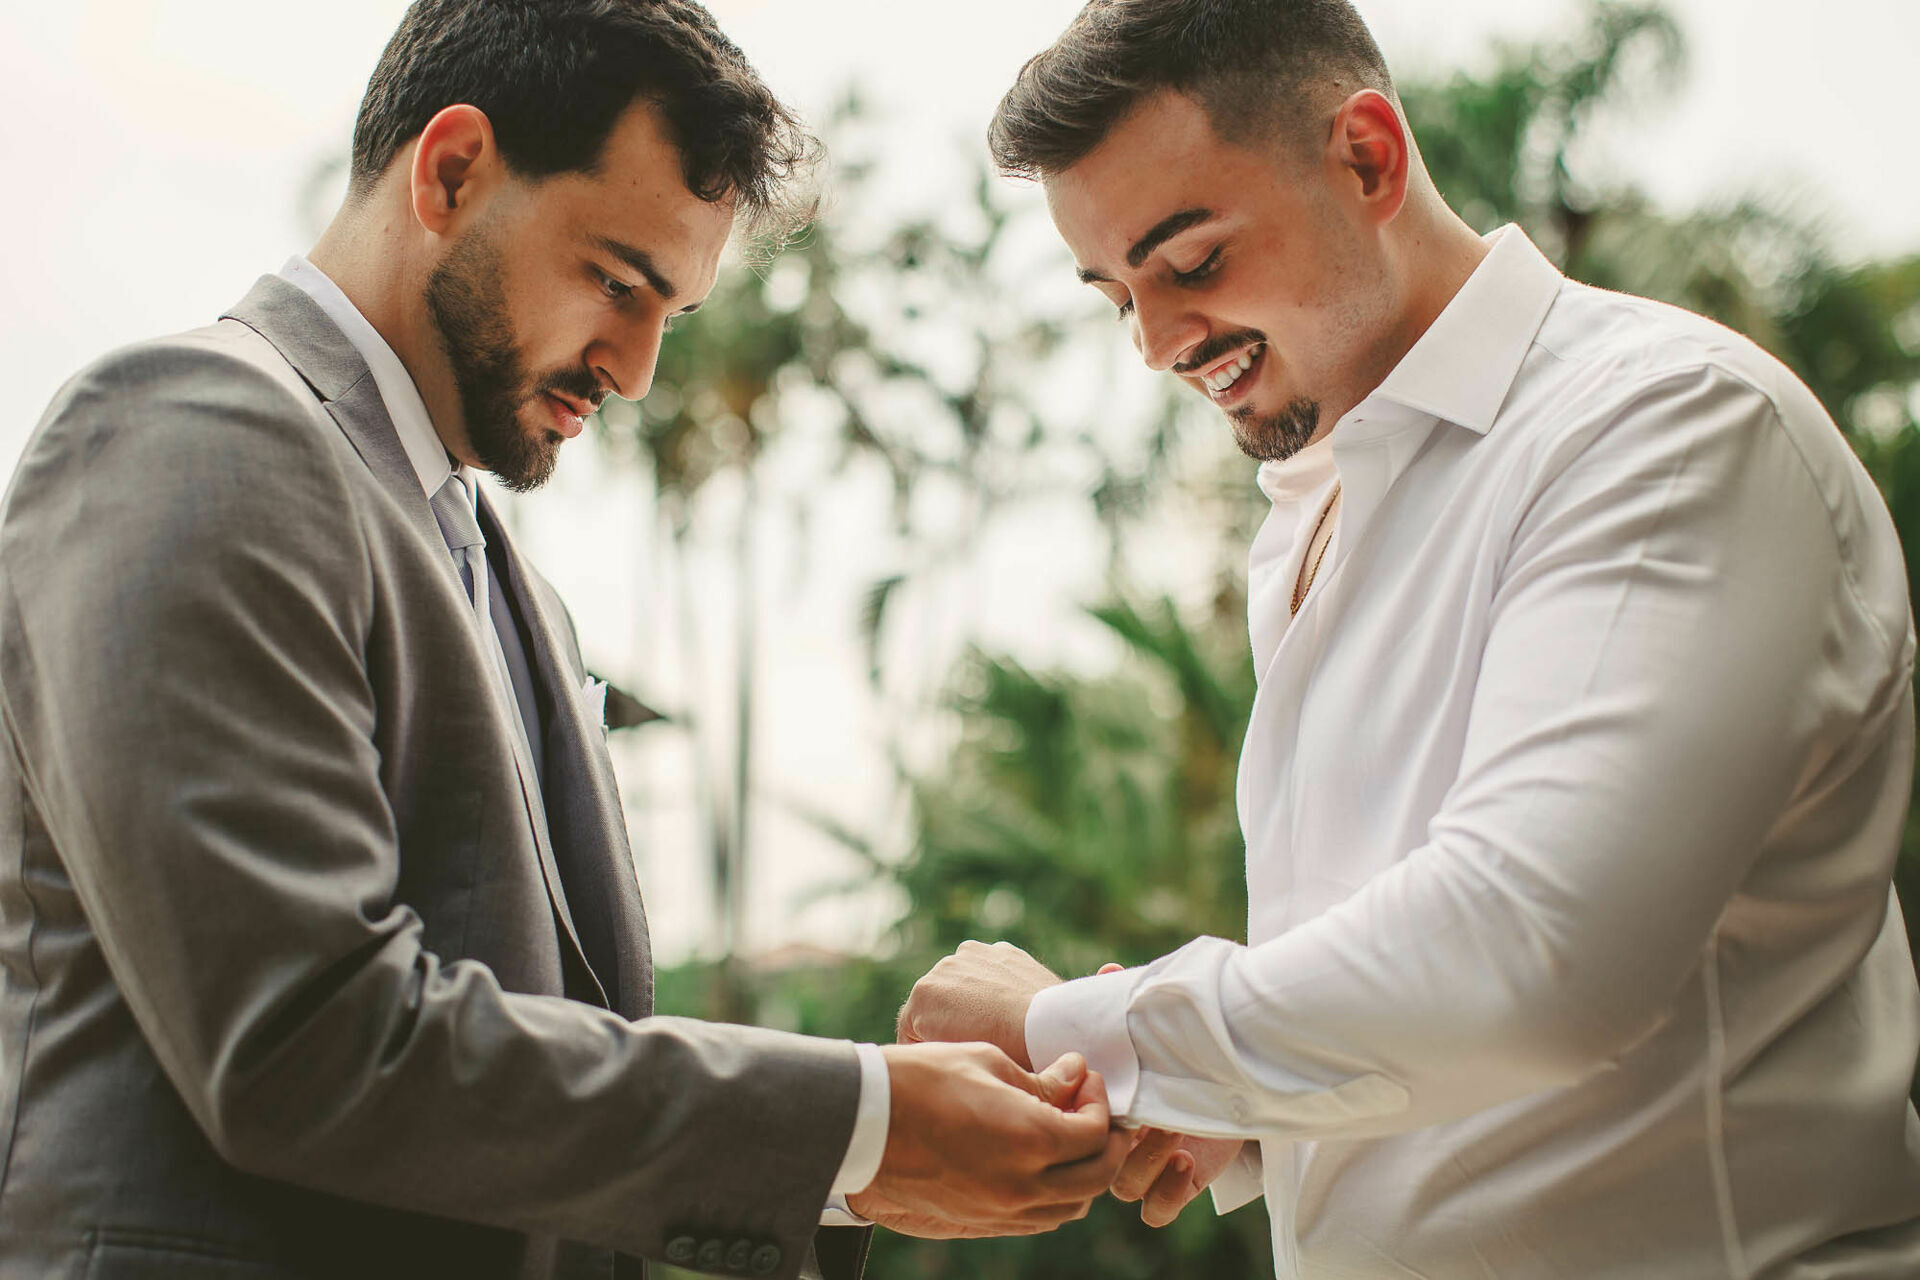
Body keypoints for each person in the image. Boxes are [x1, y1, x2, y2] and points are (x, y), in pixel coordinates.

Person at [0, 2, 1129, 1277]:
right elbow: (303, 1042)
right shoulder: (189, 432)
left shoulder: (504, 573)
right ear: (451, 170)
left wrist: (858, 1173)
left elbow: (533, 1079)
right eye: (616, 281)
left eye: (674, 313)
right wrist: (860, 1124)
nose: (639, 369)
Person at [898, 0, 1920, 1275]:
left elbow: (1533, 957)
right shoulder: (1325, 503)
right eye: (1119, 296)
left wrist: (1080, 1025)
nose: (1159, 344)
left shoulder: (1660, 432)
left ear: (1369, 158)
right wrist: (1238, 1110)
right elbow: (1421, 978)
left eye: (1193, 262)